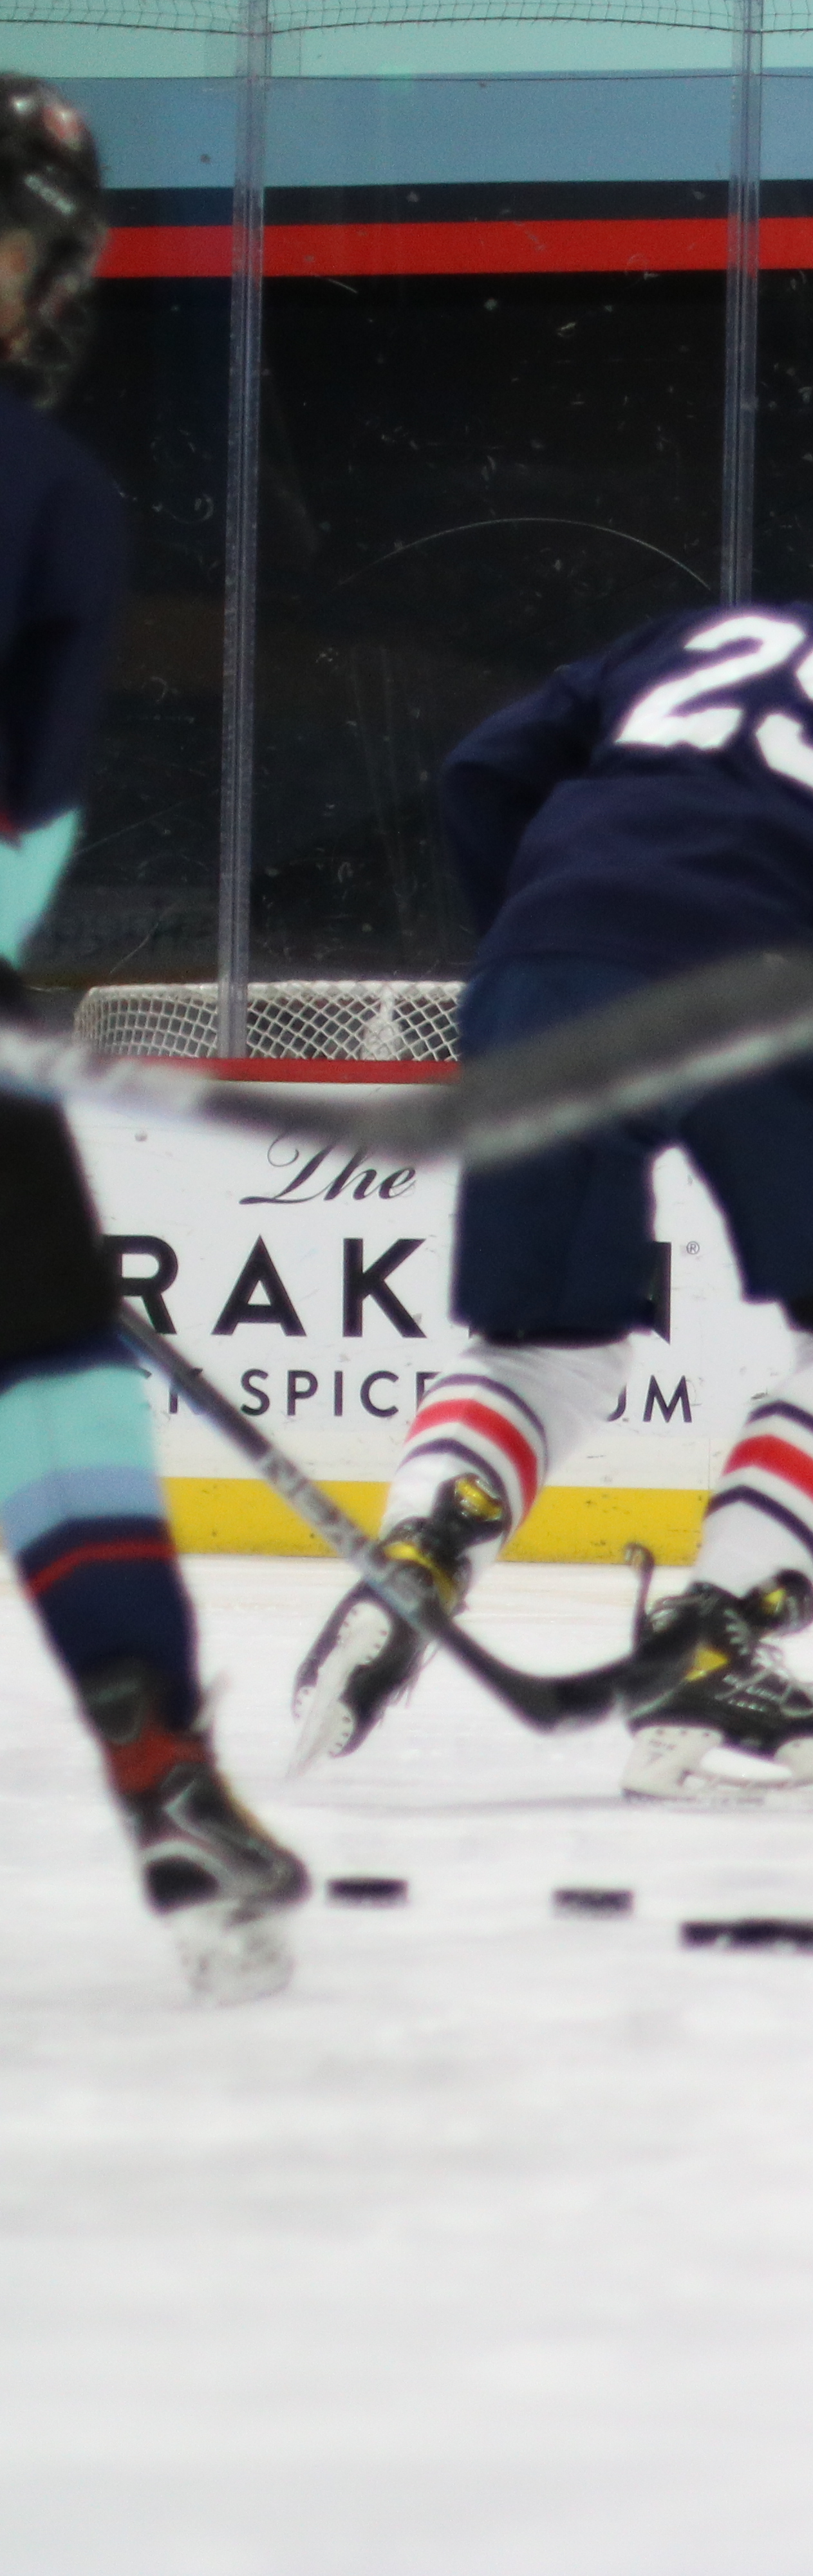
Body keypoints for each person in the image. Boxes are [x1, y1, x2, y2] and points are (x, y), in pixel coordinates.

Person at [289, 444, 813, 1810]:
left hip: (544, 978)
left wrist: (560, 940)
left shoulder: (690, 637)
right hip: (759, 992)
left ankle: (424, 1540)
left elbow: (477, 776)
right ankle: (717, 1632)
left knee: (543, 1350)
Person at [1, 73, 308, 2000]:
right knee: (51, 1377)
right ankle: (163, 1755)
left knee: (55, 1369)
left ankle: (161, 1752)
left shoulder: (58, 502)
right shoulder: (55, 500)